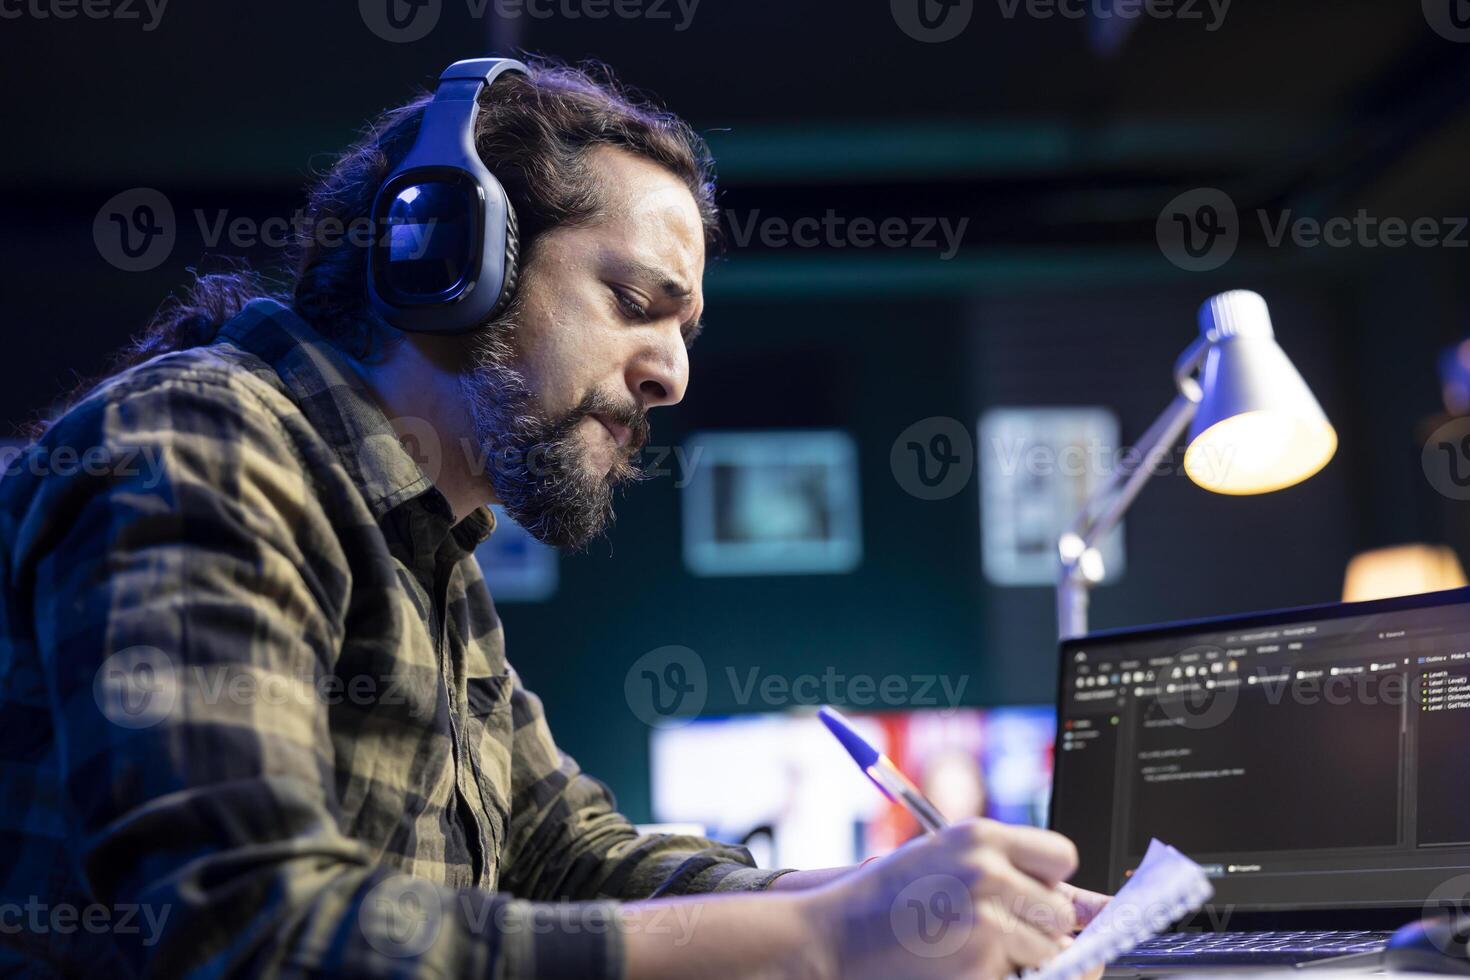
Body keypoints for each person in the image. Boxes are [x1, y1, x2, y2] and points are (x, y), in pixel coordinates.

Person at [0, 57, 1105, 977]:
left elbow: (568, 850)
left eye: (687, 330)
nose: (672, 372)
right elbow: (245, 924)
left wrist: (871, 892)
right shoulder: (201, 445)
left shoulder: (430, 540)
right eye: (636, 304)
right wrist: (820, 932)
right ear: (447, 259)